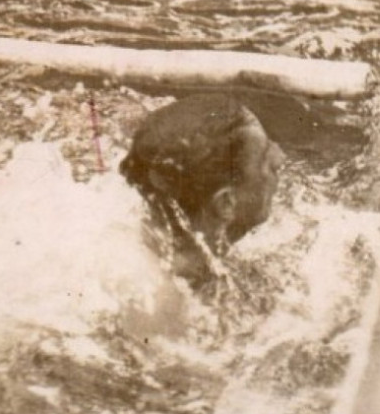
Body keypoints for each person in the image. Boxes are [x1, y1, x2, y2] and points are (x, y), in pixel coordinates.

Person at [119, 93, 283, 285]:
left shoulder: (159, 255)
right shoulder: (157, 301)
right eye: (265, 159)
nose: (280, 157)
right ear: (226, 203)